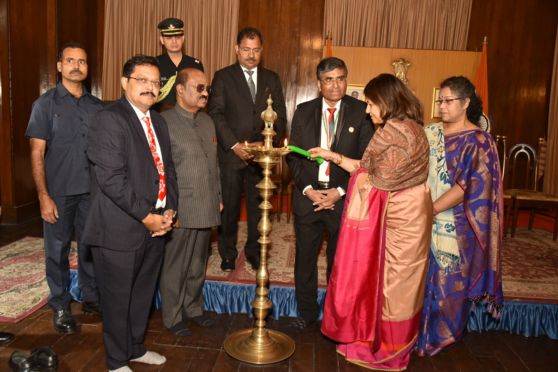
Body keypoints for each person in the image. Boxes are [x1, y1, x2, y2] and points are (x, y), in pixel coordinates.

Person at [314, 73, 432, 370]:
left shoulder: (395, 131)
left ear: (385, 101)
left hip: (403, 213)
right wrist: (331, 155)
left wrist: (355, 181)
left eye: (370, 104)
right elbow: (365, 168)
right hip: (405, 207)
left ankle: (391, 350)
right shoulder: (410, 126)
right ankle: (376, 338)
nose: (367, 111)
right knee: (388, 277)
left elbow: (378, 178)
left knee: (397, 281)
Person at [83, 54, 178, 372]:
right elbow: (111, 179)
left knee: (142, 295)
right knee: (117, 298)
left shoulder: (159, 121)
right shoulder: (109, 118)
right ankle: (116, 360)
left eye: (156, 82)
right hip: (118, 228)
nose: (151, 88)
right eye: (143, 80)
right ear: (124, 83)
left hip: (153, 226)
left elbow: (167, 172)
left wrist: (169, 211)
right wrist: (146, 216)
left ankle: (135, 348)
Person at [417, 76, 503, 356]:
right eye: (439, 100)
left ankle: (443, 334)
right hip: (422, 217)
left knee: (448, 285)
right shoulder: (430, 133)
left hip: (458, 225)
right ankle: (416, 333)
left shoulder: (479, 141)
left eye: (448, 100)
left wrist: (431, 210)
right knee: (419, 280)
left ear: (465, 103)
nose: (441, 106)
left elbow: (467, 187)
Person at [286, 57, 374, 329]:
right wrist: (308, 190)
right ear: (318, 83)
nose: (336, 85)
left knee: (340, 260)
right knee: (305, 259)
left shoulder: (362, 112)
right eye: (329, 79)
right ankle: (307, 312)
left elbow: (367, 161)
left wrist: (339, 191)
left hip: (343, 199)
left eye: (340, 78)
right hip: (308, 197)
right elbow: (293, 157)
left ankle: (337, 315)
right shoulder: (303, 111)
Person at [25, 42, 103, 334]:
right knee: (56, 251)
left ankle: (92, 297)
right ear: (59, 66)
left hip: (91, 192)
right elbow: (36, 154)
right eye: (70, 60)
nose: (76, 66)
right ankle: (60, 304)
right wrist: (43, 196)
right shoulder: (44, 105)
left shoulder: (97, 106)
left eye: (82, 61)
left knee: (90, 247)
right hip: (57, 192)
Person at [208, 27, 287, 272]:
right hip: (231, 155)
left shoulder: (271, 79)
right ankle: (228, 253)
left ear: (261, 51)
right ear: (236, 50)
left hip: (260, 157)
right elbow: (215, 113)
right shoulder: (223, 77)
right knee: (229, 209)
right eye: (246, 49)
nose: (251, 55)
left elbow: (281, 117)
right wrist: (235, 145)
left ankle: (254, 251)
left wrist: (265, 146)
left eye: (255, 50)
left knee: (258, 208)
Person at [159, 68, 222, 336]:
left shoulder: (207, 122)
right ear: (180, 90)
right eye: (198, 88)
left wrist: (218, 197)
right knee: (176, 265)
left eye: (206, 88)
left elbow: (214, 164)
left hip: (206, 204)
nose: (204, 93)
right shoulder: (163, 121)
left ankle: (193, 308)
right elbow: (161, 170)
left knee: (198, 262)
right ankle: (172, 316)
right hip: (181, 207)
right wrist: (168, 207)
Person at [154, 17, 204, 111]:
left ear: (183, 38)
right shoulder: (154, 64)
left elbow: (200, 94)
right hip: (161, 117)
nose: (174, 41)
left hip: (189, 117)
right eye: (169, 38)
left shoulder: (195, 64)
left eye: (177, 37)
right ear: (162, 40)